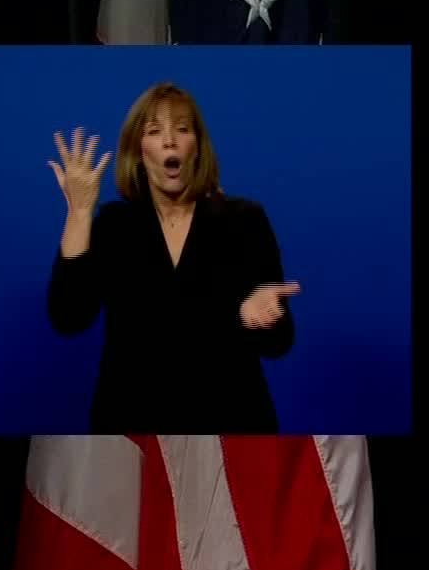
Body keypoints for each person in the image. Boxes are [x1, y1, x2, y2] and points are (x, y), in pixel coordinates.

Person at [46, 82, 299, 433]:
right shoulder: (115, 225)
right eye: (154, 131)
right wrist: (79, 213)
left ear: (197, 146)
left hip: (230, 428)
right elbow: (69, 317)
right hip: (133, 432)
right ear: (139, 149)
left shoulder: (244, 220)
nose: (169, 141)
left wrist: (256, 316)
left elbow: (279, 342)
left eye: (181, 129)